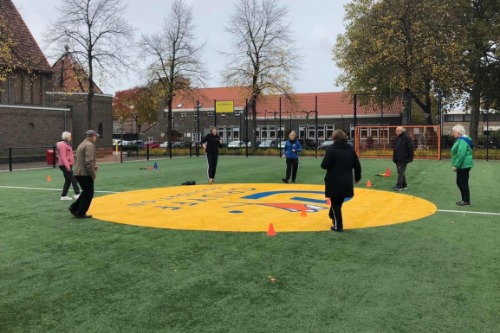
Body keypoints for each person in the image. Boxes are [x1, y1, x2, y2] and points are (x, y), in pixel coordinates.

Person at [321, 129, 361, 232]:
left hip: (333, 180)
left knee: (335, 203)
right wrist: (357, 177)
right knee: (338, 202)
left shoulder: (331, 149)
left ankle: (338, 226)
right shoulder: (350, 149)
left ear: (334, 137)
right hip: (346, 180)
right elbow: (357, 165)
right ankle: (332, 215)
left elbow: (324, 165)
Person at [69, 130, 99, 219]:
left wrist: (93, 167)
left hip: (78, 172)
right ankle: (81, 212)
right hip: (85, 173)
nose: (96, 138)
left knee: (86, 191)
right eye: (95, 136)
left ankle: (74, 207)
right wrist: (93, 174)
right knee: (89, 193)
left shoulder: (82, 144)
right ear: (92, 136)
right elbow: (88, 162)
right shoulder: (89, 145)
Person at [451, 124, 474, 206]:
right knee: (460, 182)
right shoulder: (462, 140)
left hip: (463, 165)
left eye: (454, 132)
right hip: (463, 164)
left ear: (458, 132)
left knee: (462, 182)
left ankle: (466, 200)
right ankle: (464, 199)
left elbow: (461, 154)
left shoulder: (462, 141)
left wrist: (456, 165)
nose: (453, 133)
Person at [57, 131, 80, 200]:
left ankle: (64, 195)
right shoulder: (62, 145)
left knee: (68, 180)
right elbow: (63, 157)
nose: (71, 138)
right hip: (64, 165)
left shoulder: (66, 144)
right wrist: (67, 166)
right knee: (73, 178)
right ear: (66, 137)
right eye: (70, 136)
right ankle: (77, 193)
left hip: (67, 164)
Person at [392, 126, 414, 191]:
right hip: (397, 158)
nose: (396, 132)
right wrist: (394, 157)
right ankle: (404, 185)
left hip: (404, 158)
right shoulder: (397, 138)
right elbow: (395, 148)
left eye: (397, 131)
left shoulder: (407, 138)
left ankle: (399, 185)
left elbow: (411, 148)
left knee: (400, 171)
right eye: (396, 131)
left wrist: (410, 158)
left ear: (401, 131)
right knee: (400, 171)